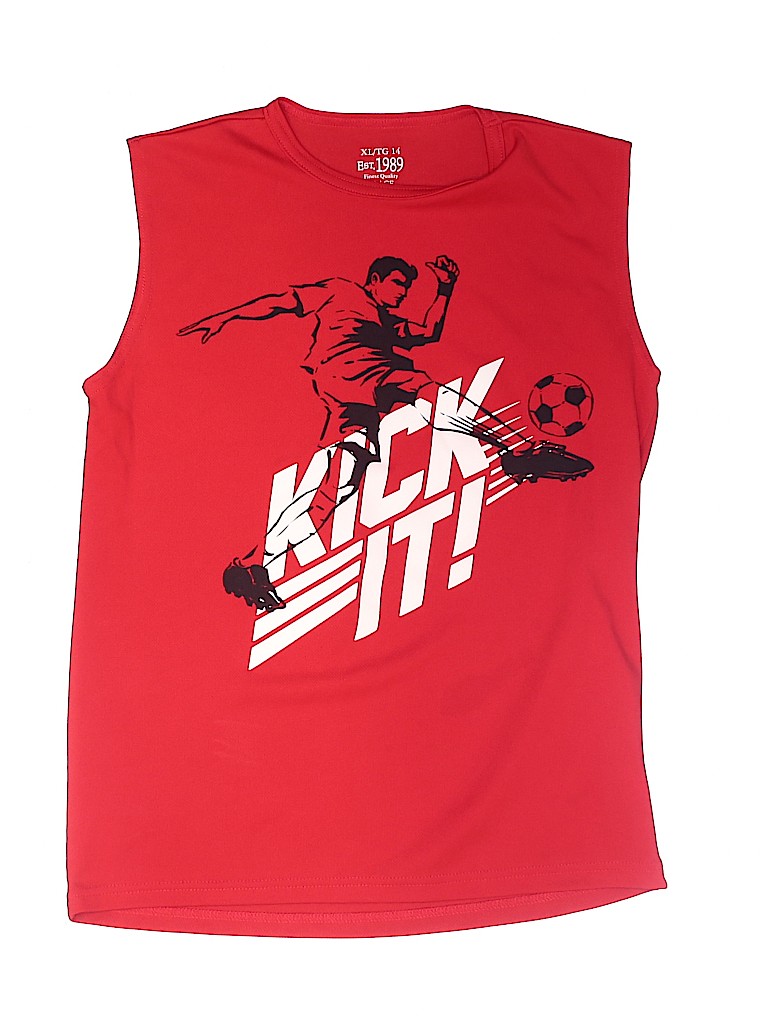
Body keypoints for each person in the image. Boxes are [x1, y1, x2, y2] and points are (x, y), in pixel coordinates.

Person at [177, 255, 592, 611]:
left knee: (337, 487)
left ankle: (253, 564)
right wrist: (224, 316)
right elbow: (283, 301)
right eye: (396, 284)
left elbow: (428, 332)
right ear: (374, 280)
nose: (401, 294)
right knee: (419, 385)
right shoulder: (341, 291)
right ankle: (516, 451)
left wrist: (444, 289)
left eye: (406, 289)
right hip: (353, 376)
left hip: (354, 399)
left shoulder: (386, 323)